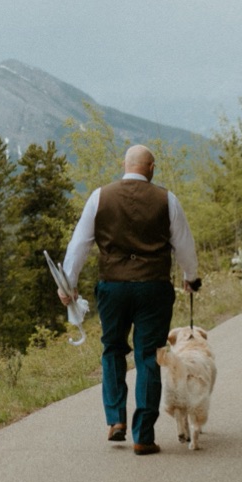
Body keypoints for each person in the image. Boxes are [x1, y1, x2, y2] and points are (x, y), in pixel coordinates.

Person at [60, 144, 200, 455]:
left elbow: (79, 245)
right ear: (151, 168)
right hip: (153, 287)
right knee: (149, 356)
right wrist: (191, 277)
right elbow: (185, 247)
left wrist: (67, 285)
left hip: (114, 287)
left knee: (112, 349)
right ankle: (143, 436)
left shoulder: (100, 197)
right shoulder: (167, 199)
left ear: (125, 165)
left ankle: (115, 419)